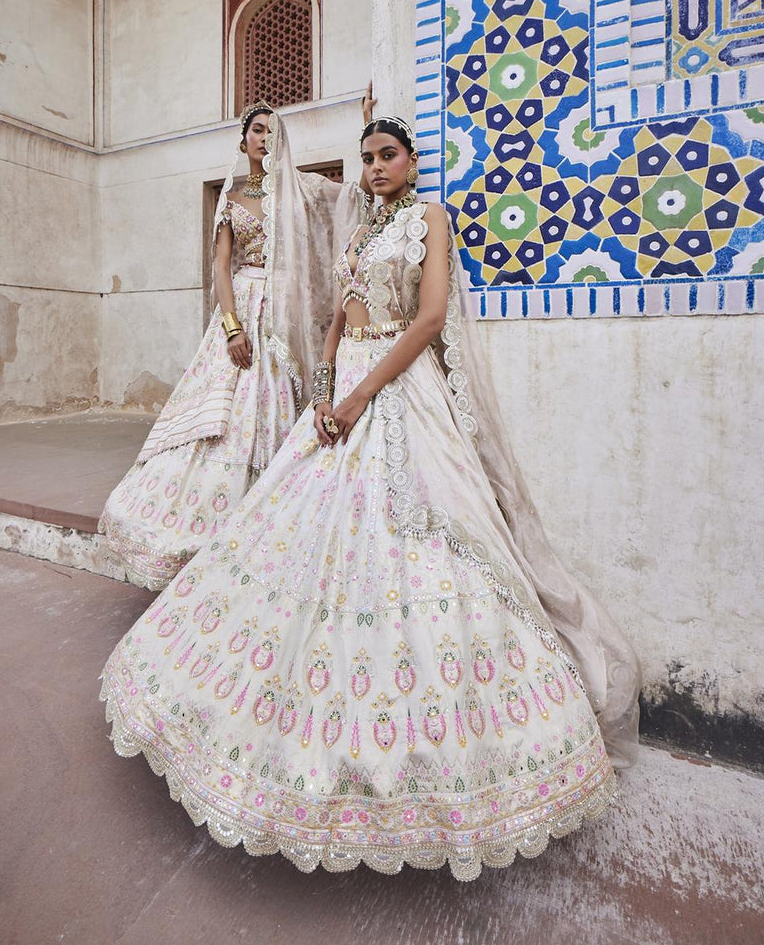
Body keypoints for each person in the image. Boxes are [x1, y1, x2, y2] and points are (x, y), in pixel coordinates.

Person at [101, 116, 640, 880]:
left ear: (413, 162)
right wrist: (323, 389)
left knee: (418, 545)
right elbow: (331, 321)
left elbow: (427, 320)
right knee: (285, 543)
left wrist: (359, 394)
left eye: (387, 155)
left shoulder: (429, 220)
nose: (376, 167)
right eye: (367, 158)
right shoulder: (360, 228)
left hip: (396, 395)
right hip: (338, 397)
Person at [99, 102, 371, 590]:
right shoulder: (231, 199)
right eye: (257, 130)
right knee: (224, 414)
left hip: (284, 315)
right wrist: (231, 326)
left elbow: (352, 196)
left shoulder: (300, 189)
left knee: (278, 404)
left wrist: (368, 123)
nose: (265, 138)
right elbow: (221, 267)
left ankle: (273, 524)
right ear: (242, 140)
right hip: (244, 309)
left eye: (272, 131)